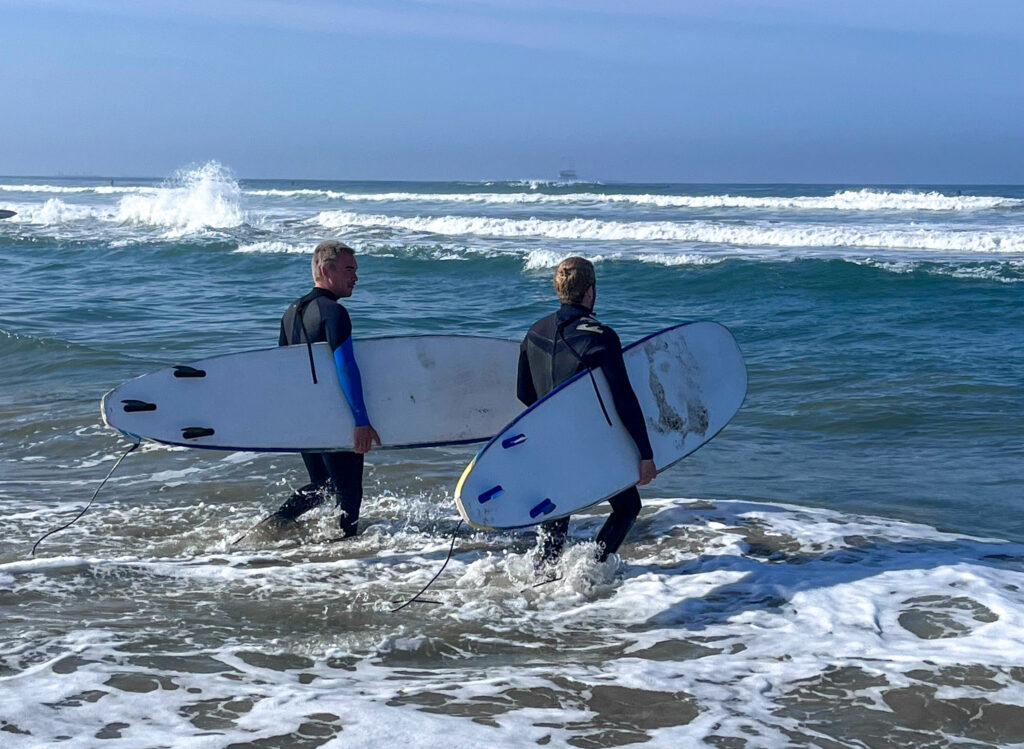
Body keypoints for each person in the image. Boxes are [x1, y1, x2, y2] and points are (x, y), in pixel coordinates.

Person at [517, 257, 656, 566]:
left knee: (559, 511)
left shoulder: (534, 331)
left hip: (548, 443)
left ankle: (544, 574)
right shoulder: (600, 337)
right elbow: (624, 399)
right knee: (627, 506)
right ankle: (592, 568)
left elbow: (523, 393)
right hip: (589, 444)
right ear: (590, 291)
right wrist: (645, 454)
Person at [271, 240, 381, 537]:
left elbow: (282, 370)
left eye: (355, 270)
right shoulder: (333, 312)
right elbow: (345, 366)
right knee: (348, 494)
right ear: (325, 269)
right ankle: (345, 555)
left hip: (305, 417)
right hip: (333, 415)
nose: (355, 277)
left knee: (322, 486)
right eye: (348, 270)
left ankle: (274, 526)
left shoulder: (291, 312)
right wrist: (360, 420)